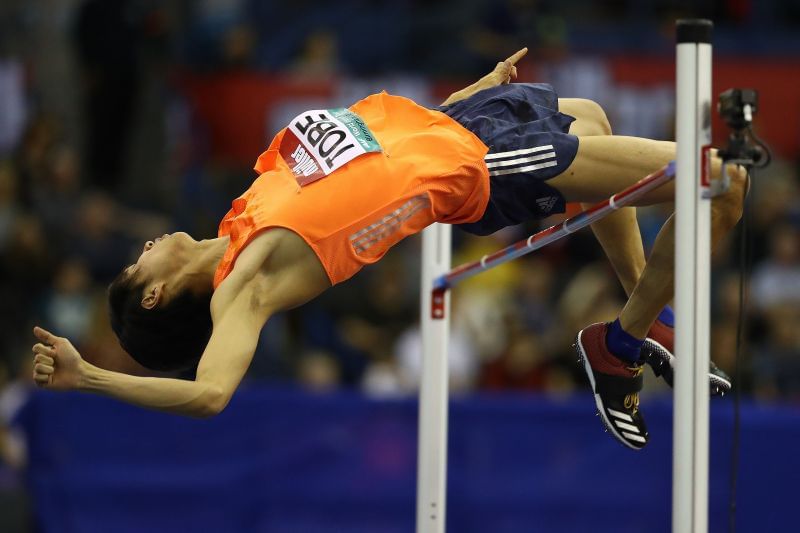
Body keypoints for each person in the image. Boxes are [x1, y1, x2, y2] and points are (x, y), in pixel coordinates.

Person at [31, 48, 741, 450]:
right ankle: (624, 338)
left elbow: (370, 152)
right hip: (477, 168)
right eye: (135, 266)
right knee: (714, 179)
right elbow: (210, 394)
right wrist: (90, 376)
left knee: (595, 115)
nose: (143, 247)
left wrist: (472, 92)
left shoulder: (243, 210)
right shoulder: (246, 282)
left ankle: (642, 321)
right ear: (154, 294)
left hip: (460, 124)